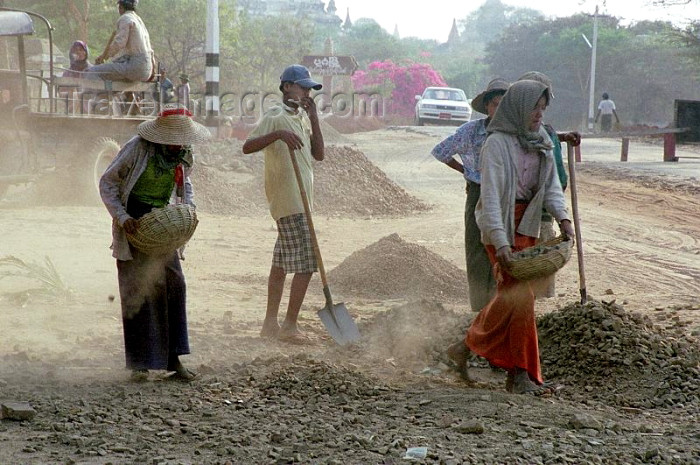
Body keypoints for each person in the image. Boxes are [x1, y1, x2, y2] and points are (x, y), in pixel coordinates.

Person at [448, 80, 575, 395]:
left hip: (527, 225)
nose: (539, 115)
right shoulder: (497, 144)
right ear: (518, 107)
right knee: (522, 299)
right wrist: (501, 242)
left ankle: (465, 348)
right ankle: (520, 376)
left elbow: (550, 189)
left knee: (514, 297)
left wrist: (564, 219)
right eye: (535, 108)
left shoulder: (542, 139)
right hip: (499, 226)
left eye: (543, 109)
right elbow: (490, 198)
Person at [99, 107, 211, 382]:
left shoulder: (182, 154)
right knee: (137, 289)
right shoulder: (138, 148)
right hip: (135, 223)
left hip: (162, 224)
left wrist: (188, 207)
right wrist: (123, 218)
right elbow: (107, 183)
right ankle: (140, 365)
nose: (179, 143)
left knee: (174, 285)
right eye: (175, 139)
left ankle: (174, 359)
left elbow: (186, 185)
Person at [242, 64, 324, 343]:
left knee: (281, 263)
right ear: (287, 87)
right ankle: (288, 325)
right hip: (289, 201)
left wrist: (314, 118)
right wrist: (278, 135)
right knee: (307, 264)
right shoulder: (276, 116)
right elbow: (248, 145)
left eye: (309, 89)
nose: (306, 92)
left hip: (302, 200)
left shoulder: (300, 117)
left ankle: (269, 324)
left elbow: (319, 155)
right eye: (302, 87)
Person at [431, 78, 509, 314]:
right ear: (487, 106)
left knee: (505, 248)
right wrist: (466, 171)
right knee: (477, 248)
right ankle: (479, 306)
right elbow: (441, 151)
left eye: (504, 104)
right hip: (478, 192)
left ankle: (502, 304)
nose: (499, 109)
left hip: (509, 194)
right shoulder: (471, 130)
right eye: (495, 104)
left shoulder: (516, 133)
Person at [517, 71, 581, 299]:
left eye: (542, 105)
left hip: (546, 210)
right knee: (531, 262)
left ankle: (541, 306)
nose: (538, 111)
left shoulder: (546, 132)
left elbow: (553, 180)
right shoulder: (506, 136)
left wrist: (564, 137)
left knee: (543, 261)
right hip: (527, 212)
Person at [86, 0, 154, 82]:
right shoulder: (138, 20)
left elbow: (119, 43)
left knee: (93, 71)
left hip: (136, 67)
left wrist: (105, 57)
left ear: (120, 7)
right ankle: (114, 94)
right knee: (115, 71)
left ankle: (99, 95)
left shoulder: (125, 18)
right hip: (147, 69)